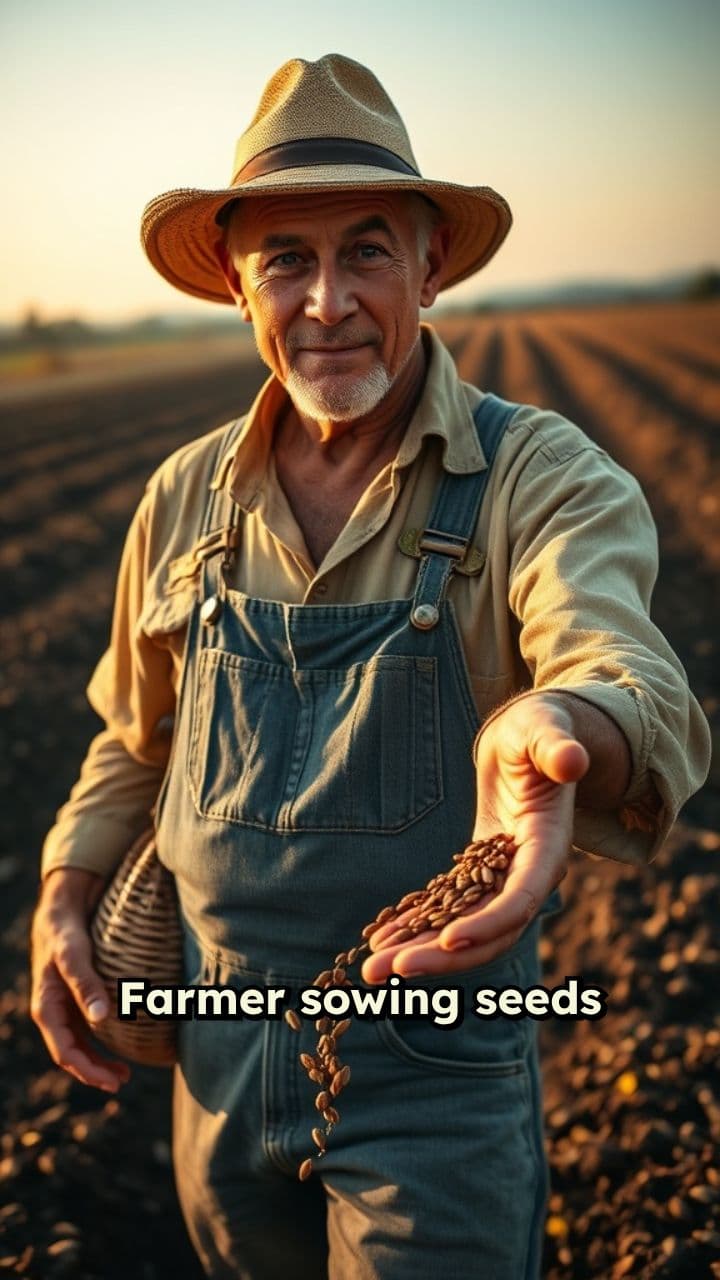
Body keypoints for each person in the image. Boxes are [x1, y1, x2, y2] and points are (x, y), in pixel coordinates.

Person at [31, 53, 710, 1280]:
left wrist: (560, 722)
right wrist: (67, 882)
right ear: (237, 282)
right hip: (216, 1049)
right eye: (288, 259)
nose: (328, 301)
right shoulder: (183, 497)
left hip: (430, 1056)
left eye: (369, 253)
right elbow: (136, 737)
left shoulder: (537, 475)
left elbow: (621, 660)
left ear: (431, 265)